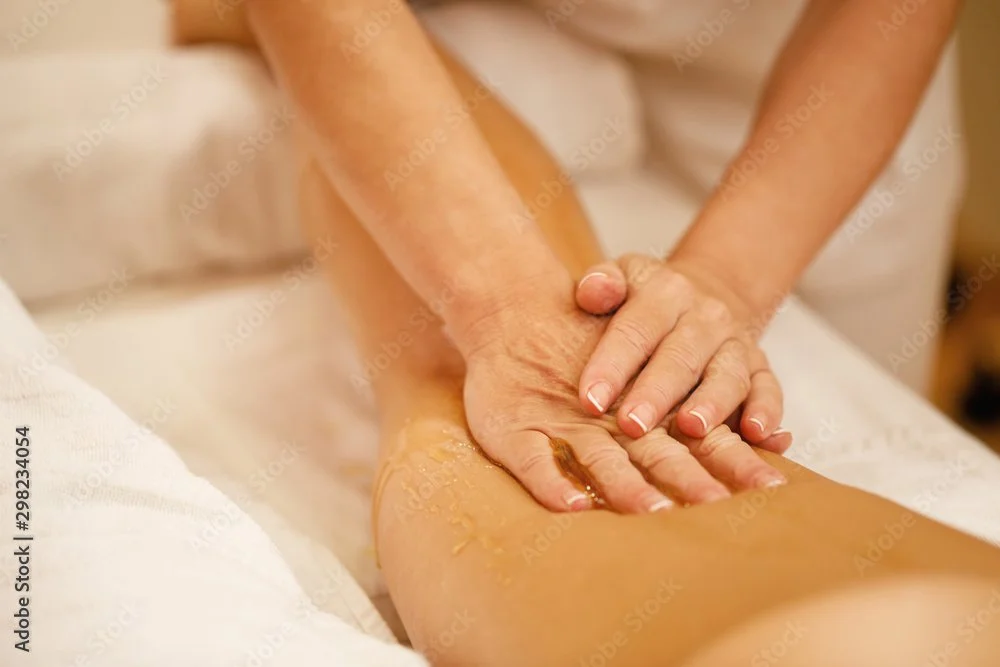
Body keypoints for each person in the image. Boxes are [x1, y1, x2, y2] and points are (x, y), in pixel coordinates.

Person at [170, 0, 960, 517]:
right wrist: (501, 308)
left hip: (808, 49)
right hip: (501, 21)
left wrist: (726, 279)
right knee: (474, 413)